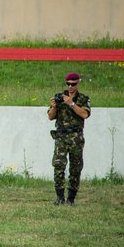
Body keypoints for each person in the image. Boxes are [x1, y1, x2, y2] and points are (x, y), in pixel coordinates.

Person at [48, 71, 91, 205]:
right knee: (58, 165)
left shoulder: (83, 99)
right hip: (61, 136)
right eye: (68, 84)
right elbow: (50, 116)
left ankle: (71, 198)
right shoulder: (60, 97)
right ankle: (60, 197)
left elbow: (85, 114)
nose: (70, 87)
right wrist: (55, 106)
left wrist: (71, 104)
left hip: (75, 137)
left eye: (73, 84)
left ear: (78, 83)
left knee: (75, 167)